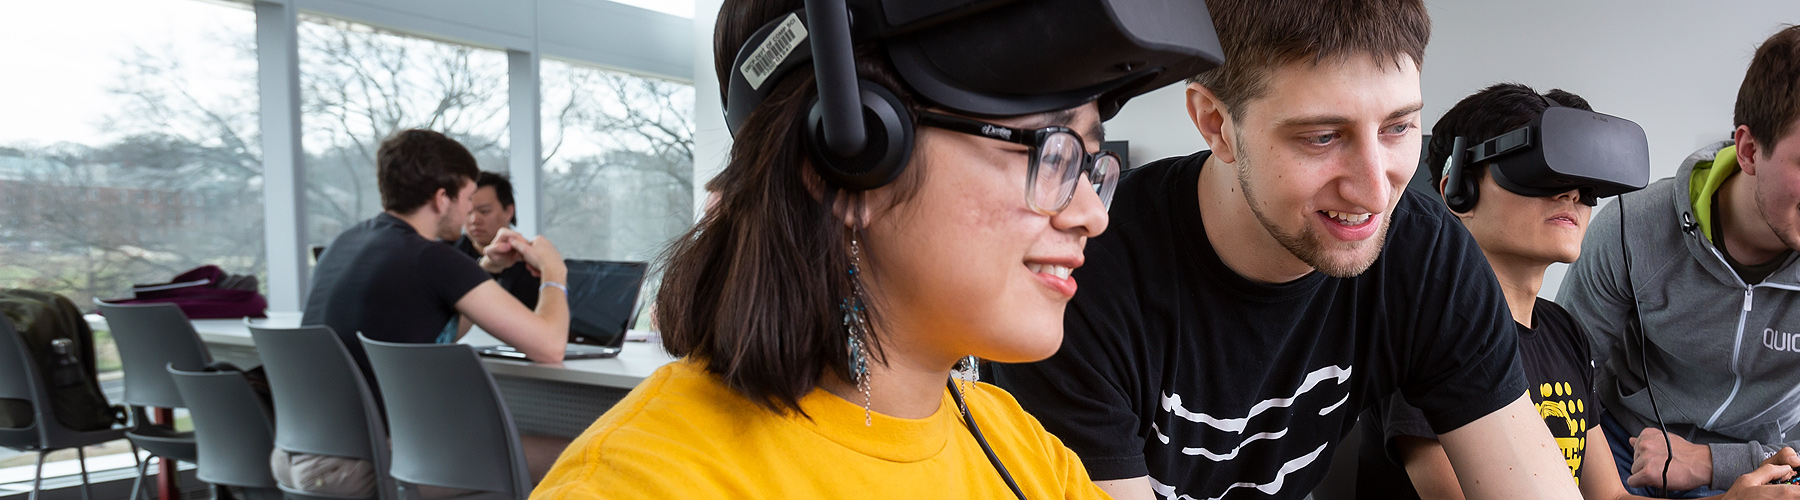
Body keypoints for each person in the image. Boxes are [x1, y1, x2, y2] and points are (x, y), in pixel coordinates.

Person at [529, 0, 1219, 497]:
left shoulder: (1022, 447)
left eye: (1091, 164)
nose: (1093, 214)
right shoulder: (645, 484)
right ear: (846, 163)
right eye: (1053, 150)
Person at [992, 2, 1583, 499]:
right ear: (1216, 123)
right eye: (1322, 137)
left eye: (1398, 127)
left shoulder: (1423, 253)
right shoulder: (1083, 275)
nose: (1377, 191)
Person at [1353, 84, 1800, 500]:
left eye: (1584, 182)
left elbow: (1608, 496)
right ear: (1457, 188)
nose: (1571, 195)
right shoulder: (1427, 334)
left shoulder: (1565, 333)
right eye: (1540, 173)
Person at [1556, 22, 1800, 497]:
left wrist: (1712, 462)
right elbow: (1559, 379)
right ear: (1749, 150)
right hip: (1622, 447)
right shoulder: (1632, 227)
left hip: (1760, 464)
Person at [303, 128, 572, 373]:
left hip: (327, 424)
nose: (469, 211)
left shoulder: (344, 243)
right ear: (442, 199)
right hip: (396, 424)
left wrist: (489, 267)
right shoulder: (431, 258)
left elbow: (445, 331)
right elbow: (550, 347)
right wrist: (554, 270)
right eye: (468, 198)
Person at [454, 170, 540, 309]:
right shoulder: (445, 256)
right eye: (468, 211)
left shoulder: (532, 261)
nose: (474, 219)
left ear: (508, 211)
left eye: (485, 211)